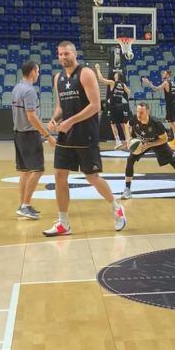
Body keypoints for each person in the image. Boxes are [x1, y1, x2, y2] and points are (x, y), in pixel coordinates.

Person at [44, 41, 126, 236]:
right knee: (59, 175)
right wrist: (53, 119)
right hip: (66, 134)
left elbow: (96, 105)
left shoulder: (86, 74)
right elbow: (61, 106)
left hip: (85, 133)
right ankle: (63, 222)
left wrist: (71, 121)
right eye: (60, 54)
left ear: (74, 54)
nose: (63, 57)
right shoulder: (58, 78)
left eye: (66, 53)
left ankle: (116, 206)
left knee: (92, 177)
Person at [120, 103, 175, 199]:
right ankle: (127, 190)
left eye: (141, 113)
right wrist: (128, 139)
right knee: (130, 159)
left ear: (148, 112)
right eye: (137, 112)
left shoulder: (156, 123)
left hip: (158, 142)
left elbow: (164, 139)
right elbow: (127, 125)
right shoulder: (134, 119)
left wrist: (150, 144)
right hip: (142, 142)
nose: (138, 115)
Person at [11, 61, 56, 220]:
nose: (38, 74)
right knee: (38, 170)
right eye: (37, 71)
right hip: (29, 135)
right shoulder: (29, 91)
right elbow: (31, 117)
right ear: (32, 72)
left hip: (18, 134)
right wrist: (47, 135)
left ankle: (23, 205)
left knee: (25, 171)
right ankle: (25, 205)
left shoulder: (17, 88)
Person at [142, 69, 175, 148]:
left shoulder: (166, 82)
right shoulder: (173, 82)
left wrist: (148, 84)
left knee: (171, 121)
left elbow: (156, 89)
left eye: (164, 73)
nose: (162, 75)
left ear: (168, 75)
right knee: (171, 121)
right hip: (174, 102)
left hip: (170, 103)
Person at [97, 64, 132, 150]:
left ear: (117, 77)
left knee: (113, 124)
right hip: (121, 106)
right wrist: (120, 94)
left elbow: (101, 79)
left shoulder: (113, 83)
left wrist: (98, 69)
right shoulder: (123, 85)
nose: (114, 75)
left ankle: (118, 141)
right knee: (123, 124)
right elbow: (129, 92)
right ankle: (128, 141)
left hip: (113, 106)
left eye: (115, 75)